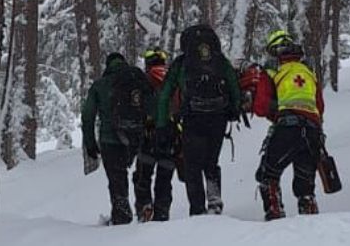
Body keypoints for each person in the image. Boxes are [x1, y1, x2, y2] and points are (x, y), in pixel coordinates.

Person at [154, 24, 243, 216]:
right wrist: (235, 109)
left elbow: (165, 94)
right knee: (211, 161)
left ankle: (198, 209)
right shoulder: (220, 61)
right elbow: (234, 86)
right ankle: (215, 201)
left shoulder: (182, 63)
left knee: (192, 166)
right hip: (218, 118)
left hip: (193, 118)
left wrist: (161, 125)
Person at [251, 31, 327, 221]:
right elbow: (320, 106)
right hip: (312, 131)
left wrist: (277, 110)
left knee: (268, 175)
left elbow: (260, 106)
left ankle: (275, 219)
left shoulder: (271, 70)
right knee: (305, 186)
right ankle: (311, 224)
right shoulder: (308, 71)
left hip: (287, 128)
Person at [80, 53, 153, 225]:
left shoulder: (100, 85)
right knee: (141, 172)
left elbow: (87, 116)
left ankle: (122, 215)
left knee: (117, 178)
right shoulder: (138, 80)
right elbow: (153, 105)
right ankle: (144, 205)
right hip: (137, 137)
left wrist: (90, 145)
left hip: (110, 139)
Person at [133, 47, 178, 222]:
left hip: (148, 135)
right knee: (164, 179)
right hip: (172, 135)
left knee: (143, 176)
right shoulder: (173, 77)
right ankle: (162, 213)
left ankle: (145, 206)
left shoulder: (144, 80)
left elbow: (138, 107)